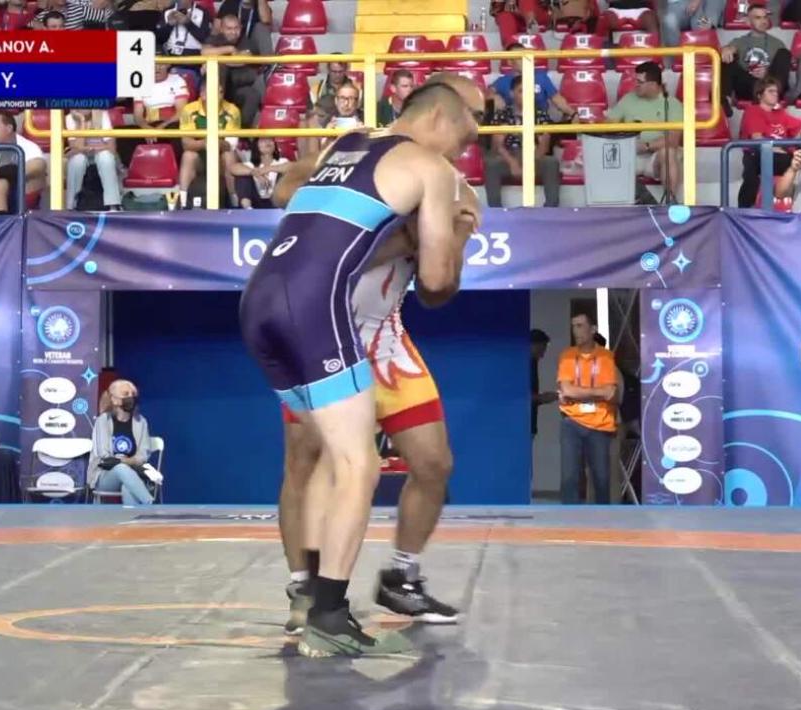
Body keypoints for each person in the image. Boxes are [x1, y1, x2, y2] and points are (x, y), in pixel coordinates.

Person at [239, 76, 484, 658]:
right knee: (337, 462)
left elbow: (300, 204)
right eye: (468, 128)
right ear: (441, 116)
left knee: (418, 462)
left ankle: (384, 581)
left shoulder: (356, 149)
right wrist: (445, 232)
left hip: (309, 312)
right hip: (327, 313)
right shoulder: (414, 164)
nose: (467, 146)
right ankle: (318, 602)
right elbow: (437, 283)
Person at [556, 311, 618, 504]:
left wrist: (576, 393)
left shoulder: (606, 357)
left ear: (593, 329)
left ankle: (603, 519)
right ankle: (568, 519)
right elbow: (566, 389)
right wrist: (597, 392)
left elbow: (610, 392)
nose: (576, 331)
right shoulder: (567, 356)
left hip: (599, 424)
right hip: (571, 422)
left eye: (580, 326)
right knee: (569, 478)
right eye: (573, 326)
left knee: (601, 479)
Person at [737, 75, 801, 208]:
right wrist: (786, 152)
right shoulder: (753, 111)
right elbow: (758, 140)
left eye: (776, 91)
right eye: (770, 91)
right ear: (759, 95)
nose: (775, 94)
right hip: (761, 156)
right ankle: (745, 210)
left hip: (784, 156)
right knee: (753, 171)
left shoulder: (780, 113)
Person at [607, 62, 684, 204]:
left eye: (640, 82)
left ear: (653, 84)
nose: (635, 85)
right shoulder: (629, 98)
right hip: (630, 154)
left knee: (668, 152)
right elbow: (608, 125)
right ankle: (645, 199)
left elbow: (673, 140)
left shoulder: (673, 105)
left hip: (655, 157)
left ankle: (670, 202)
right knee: (608, 157)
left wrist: (646, 146)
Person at [487, 74, 561, 208]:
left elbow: (544, 145)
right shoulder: (503, 114)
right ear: (512, 94)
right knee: (491, 164)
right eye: (521, 91)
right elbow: (498, 146)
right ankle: (495, 209)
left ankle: (550, 209)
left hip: (534, 156)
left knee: (551, 163)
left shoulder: (540, 114)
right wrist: (512, 163)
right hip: (509, 157)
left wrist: (530, 164)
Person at [88, 379, 156, 506]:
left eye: (133, 394)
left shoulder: (141, 422)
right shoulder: (103, 421)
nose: (131, 397)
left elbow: (143, 455)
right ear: (114, 400)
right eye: (126, 394)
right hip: (105, 476)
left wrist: (123, 461)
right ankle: (150, 504)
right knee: (121, 468)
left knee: (128, 487)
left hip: (133, 474)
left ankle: (131, 518)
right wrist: (127, 462)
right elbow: (104, 456)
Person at [720, 3, 793, 105]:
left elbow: (780, 72)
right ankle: (724, 100)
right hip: (748, 86)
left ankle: (773, 97)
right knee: (726, 56)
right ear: (748, 21)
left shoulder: (777, 43)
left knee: (784, 53)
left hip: (770, 86)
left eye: (765, 17)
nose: (763, 21)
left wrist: (767, 73)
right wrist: (727, 49)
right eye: (758, 18)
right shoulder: (739, 42)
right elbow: (730, 50)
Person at [64, 109, 122, 211]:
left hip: (101, 154)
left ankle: (113, 205)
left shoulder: (102, 115)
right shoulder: (69, 118)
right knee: (77, 160)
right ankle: (72, 205)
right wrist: (82, 122)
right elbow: (76, 148)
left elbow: (111, 147)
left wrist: (87, 148)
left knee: (106, 157)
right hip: (83, 155)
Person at [230, 137, 289, 209]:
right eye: (263, 140)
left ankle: (283, 208)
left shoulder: (282, 161)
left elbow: (292, 167)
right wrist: (255, 173)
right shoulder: (250, 165)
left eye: (270, 140)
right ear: (256, 145)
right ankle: (247, 208)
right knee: (243, 176)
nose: (268, 142)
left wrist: (268, 169)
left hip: (275, 201)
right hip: (256, 202)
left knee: (286, 173)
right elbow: (233, 168)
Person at [530, 328, 554, 439]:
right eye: (542, 348)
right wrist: (540, 398)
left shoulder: (533, 363)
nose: (543, 354)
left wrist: (541, 399)